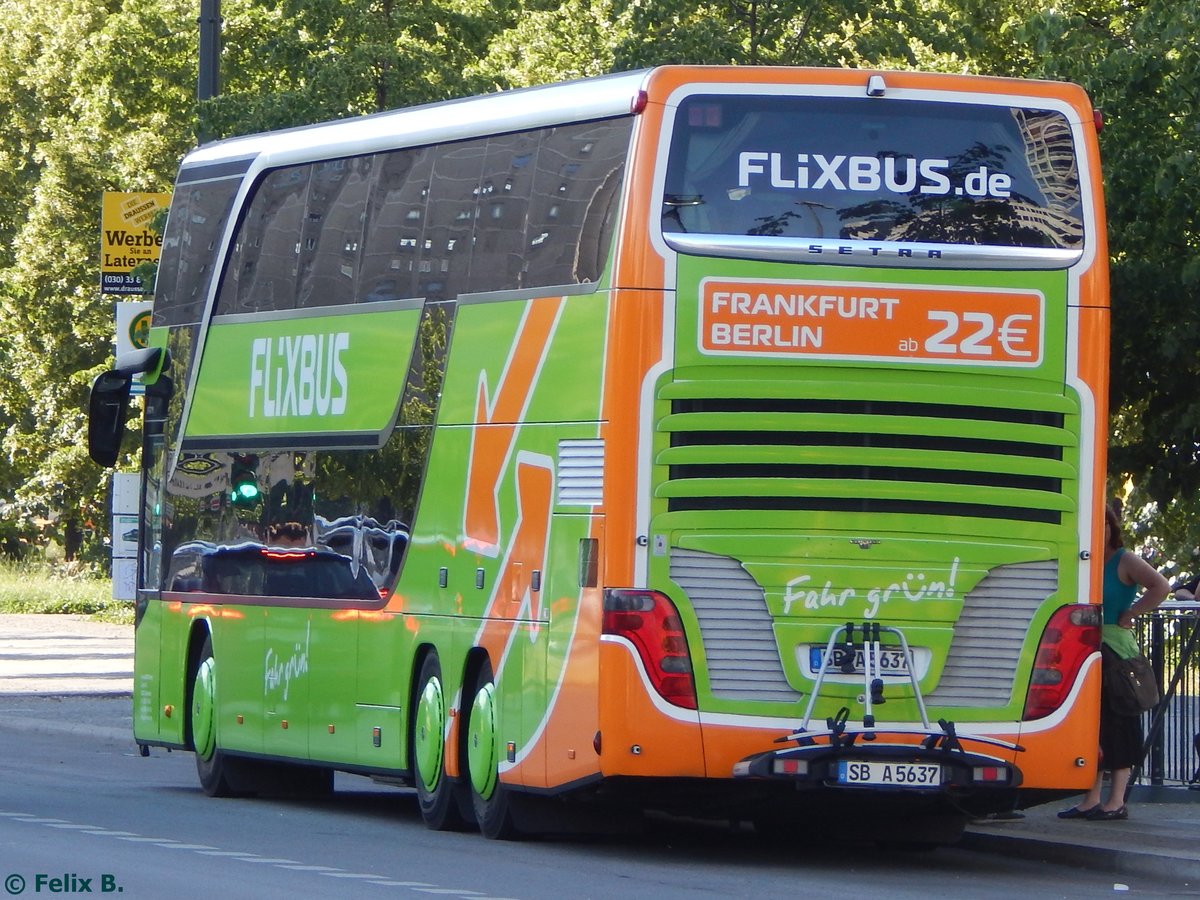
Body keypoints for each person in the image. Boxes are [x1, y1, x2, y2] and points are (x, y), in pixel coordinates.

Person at [1058, 502, 1170, 821]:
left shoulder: (1125, 559)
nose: (1100, 531)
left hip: (1115, 652)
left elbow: (1161, 586)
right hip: (1080, 647)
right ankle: (1090, 798)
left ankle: (1116, 800)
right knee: (1089, 724)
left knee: (1119, 718)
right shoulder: (1083, 559)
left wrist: (1132, 613)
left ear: (1113, 528)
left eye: (1105, 524)